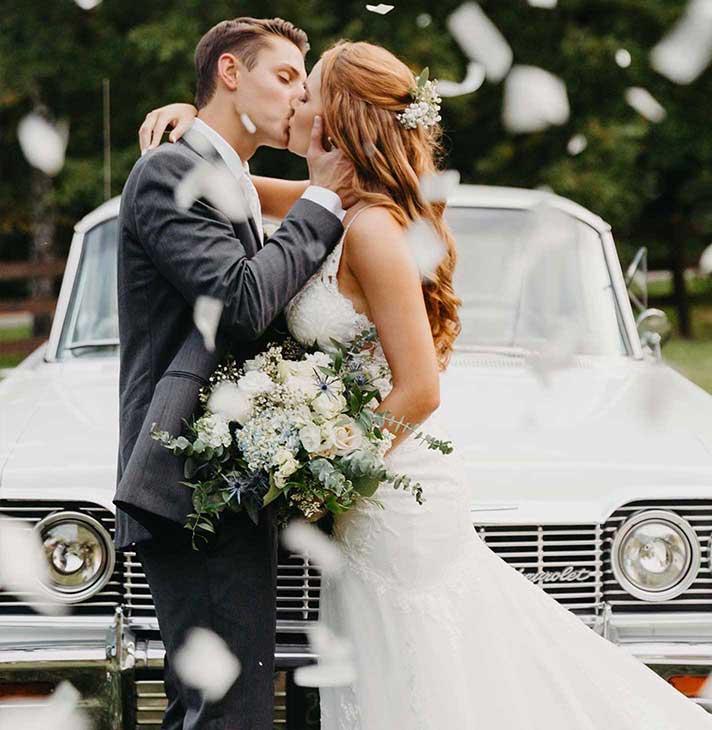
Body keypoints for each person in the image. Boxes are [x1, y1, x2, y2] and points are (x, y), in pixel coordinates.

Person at [142, 40, 712, 730]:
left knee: (427, 671)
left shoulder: (376, 228)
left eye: (309, 91)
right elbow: (233, 181)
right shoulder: (337, 204)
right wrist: (196, 122)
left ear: (340, 118)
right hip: (367, 507)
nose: (296, 102)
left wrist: (327, 477)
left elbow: (419, 388)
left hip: (395, 503)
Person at [114, 18, 355, 730]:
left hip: (226, 481)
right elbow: (242, 304)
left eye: (303, 86)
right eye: (284, 78)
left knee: (219, 706)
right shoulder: (170, 172)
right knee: (227, 712)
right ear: (229, 72)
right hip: (186, 479)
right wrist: (321, 198)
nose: (298, 98)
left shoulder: (221, 173)